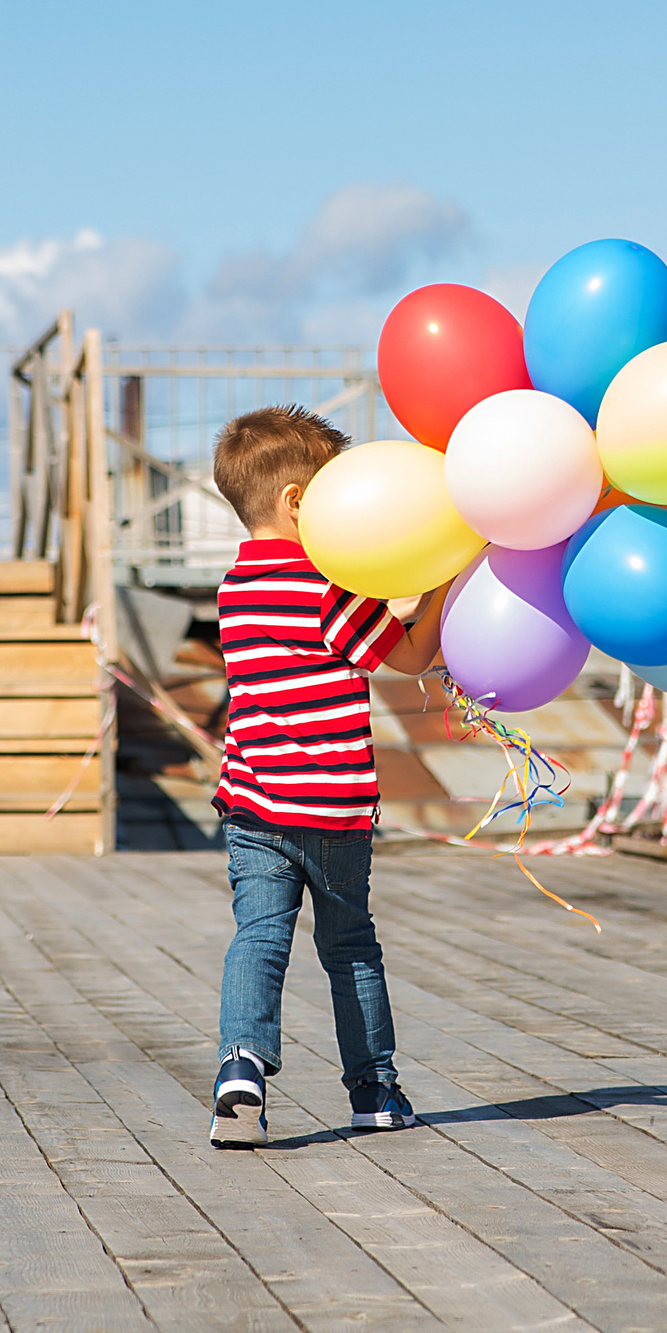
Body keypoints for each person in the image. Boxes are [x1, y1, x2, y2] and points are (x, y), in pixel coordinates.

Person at [204, 405, 449, 1148]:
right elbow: (406, 657)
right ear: (300, 503)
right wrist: (439, 586)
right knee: (350, 948)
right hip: (334, 807)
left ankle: (241, 1061)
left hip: (255, 804)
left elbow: (323, 640)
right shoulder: (332, 585)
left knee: (259, 936)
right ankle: (374, 1088)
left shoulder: (233, 589)